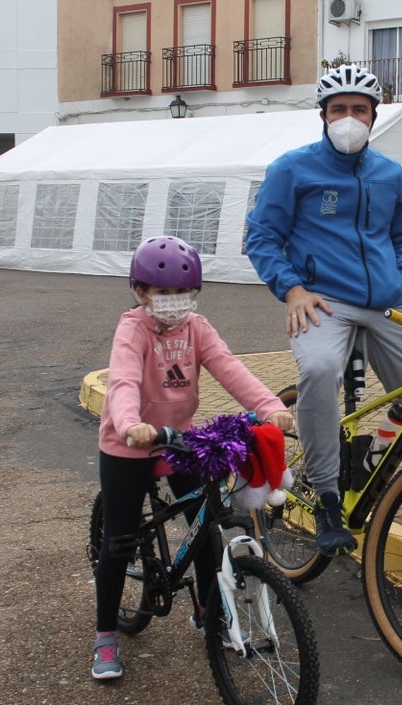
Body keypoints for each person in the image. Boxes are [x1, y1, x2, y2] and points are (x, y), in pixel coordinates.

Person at [245, 64, 402, 558]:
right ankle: (327, 498)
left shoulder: (389, 173)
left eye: (359, 109)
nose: (349, 118)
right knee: (319, 370)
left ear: (373, 116)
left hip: (385, 303)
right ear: (323, 116)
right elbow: (261, 236)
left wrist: (400, 273)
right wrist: (291, 289)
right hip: (322, 301)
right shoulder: (292, 168)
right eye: (339, 110)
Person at [92, 235, 293, 681]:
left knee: (208, 527)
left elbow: (229, 368)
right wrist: (128, 423)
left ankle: (210, 614)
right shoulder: (133, 329)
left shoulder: (197, 328)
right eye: (163, 292)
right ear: (141, 292)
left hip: (178, 440)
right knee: (120, 540)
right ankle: (105, 634)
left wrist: (269, 406)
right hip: (128, 442)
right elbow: (123, 380)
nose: (174, 301)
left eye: (183, 292)